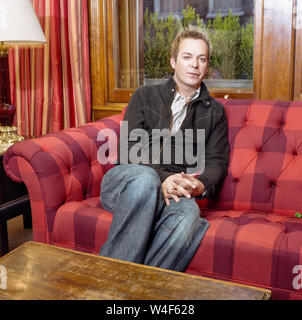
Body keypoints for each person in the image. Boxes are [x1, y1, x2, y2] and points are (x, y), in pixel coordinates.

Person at [99, 25, 229, 272]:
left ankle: (140, 289)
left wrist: (201, 186)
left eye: (201, 59)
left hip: (169, 195)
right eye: (187, 57)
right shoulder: (144, 96)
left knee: (190, 214)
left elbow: (216, 162)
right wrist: (163, 179)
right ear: (173, 61)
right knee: (145, 178)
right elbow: (128, 151)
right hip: (127, 181)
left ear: (207, 66)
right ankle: (113, 279)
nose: (194, 65)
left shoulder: (215, 112)